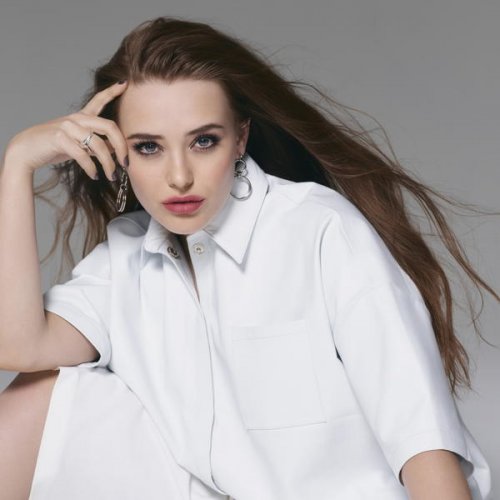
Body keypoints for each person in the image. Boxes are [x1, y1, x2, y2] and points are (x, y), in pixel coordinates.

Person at [0, 15, 497, 500]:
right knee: (38, 392)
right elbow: (19, 347)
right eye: (149, 147)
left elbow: (420, 431)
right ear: (119, 152)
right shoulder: (126, 258)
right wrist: (19, 160)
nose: (179, 176)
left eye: (203, 141)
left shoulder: (317, 228)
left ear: (239, 138)